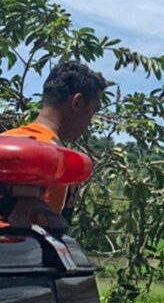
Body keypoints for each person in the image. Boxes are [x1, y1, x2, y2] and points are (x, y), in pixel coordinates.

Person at [2, 60, 106, 222]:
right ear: (77, 102)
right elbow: (42, 232)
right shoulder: (55, 160)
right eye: (92, 109)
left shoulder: (6, 139)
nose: (90, 119)